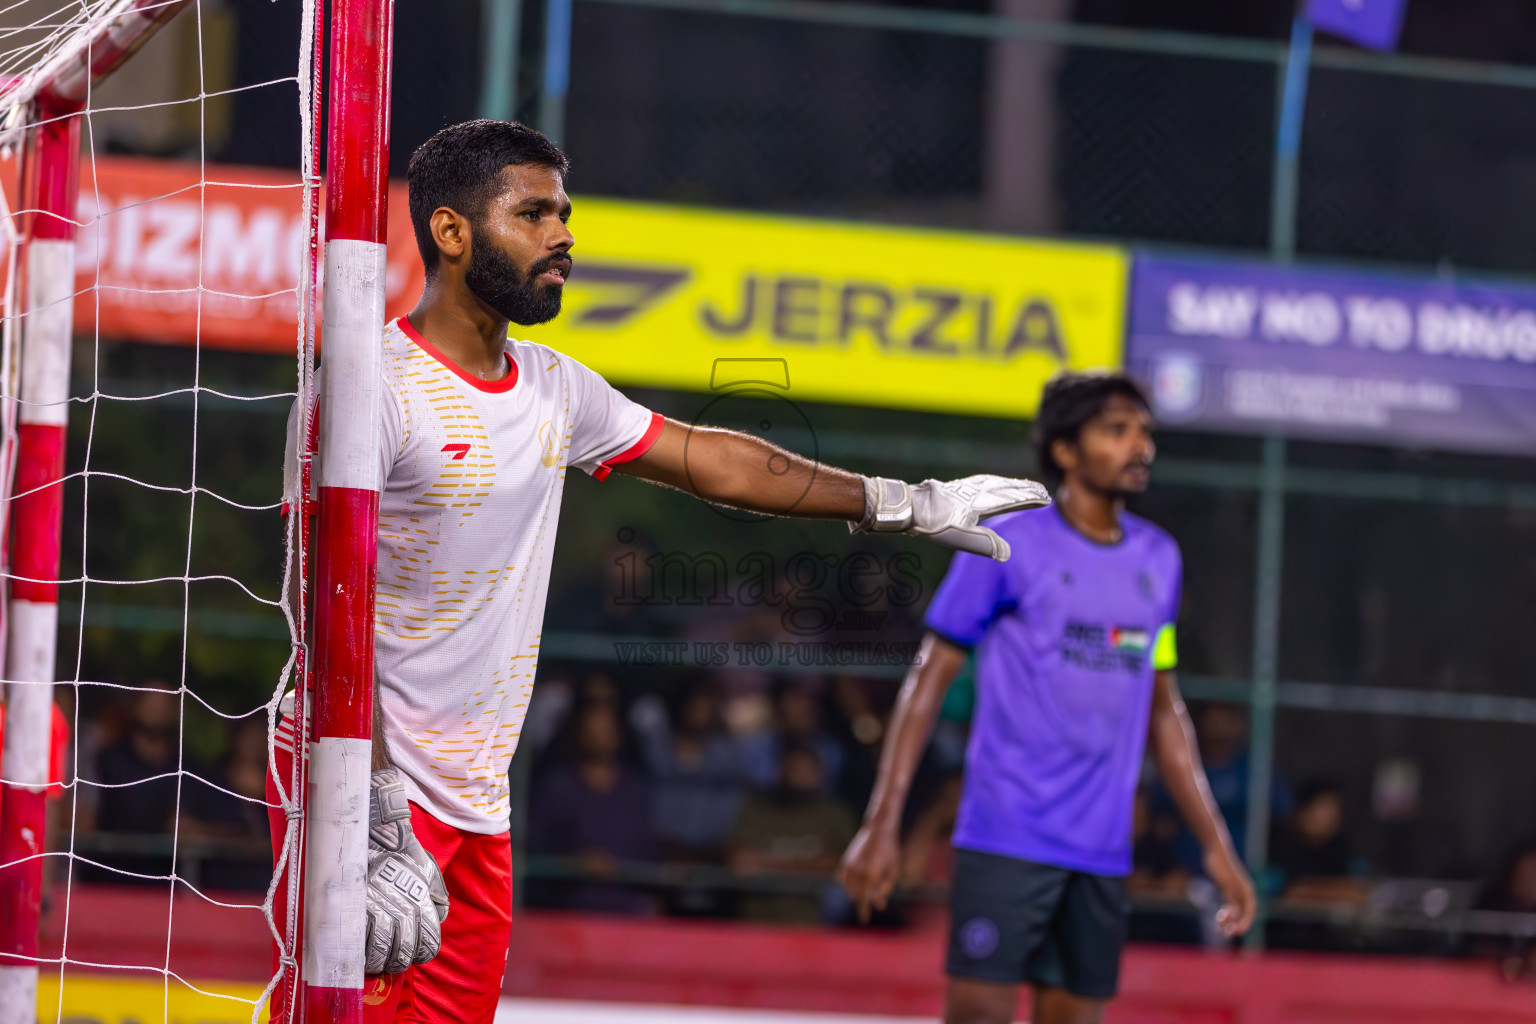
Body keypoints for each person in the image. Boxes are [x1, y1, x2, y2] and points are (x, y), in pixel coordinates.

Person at [267, 118, 1049, 1024]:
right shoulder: (375, 388)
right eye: (533, 213)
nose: (563, 235)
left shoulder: (555, 387)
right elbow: (312, 594)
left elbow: (713, 459)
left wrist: (903, 501)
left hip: (477, 801)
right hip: (362, 775)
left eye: (564, 213)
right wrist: (359, 791)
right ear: (451, 232)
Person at [837, 373, 1256, 1024]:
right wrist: (881, 821)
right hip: (1006, 836)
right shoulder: (1005, 542)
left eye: (1144, 431)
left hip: (1101, 851)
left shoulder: (1159, 560)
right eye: (1117, 431)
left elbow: (1163, 705)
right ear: (1065, 450)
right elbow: (930, 675)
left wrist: (1216, 845)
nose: (1139, 445)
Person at [527, 702, 658, 914]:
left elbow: (648, 849)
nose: (599, 741)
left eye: (606, 733)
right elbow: (538, 846)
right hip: (567, 908)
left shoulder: (635, 790)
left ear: (619, 735)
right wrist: (575, 863)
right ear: (578, 735)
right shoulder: (558, 787)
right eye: (591, 734)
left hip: (627, 907)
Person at [728, 742, 856, 925]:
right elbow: (739, 861)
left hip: (813, 919)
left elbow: (843, 864)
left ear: (819, 773)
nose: (799, 775)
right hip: (755, 918)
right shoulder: (756, 808)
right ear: (779, 771)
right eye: (793, 768)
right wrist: (811, 865)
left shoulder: (834, 813)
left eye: (806, 769)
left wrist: (768, 864)